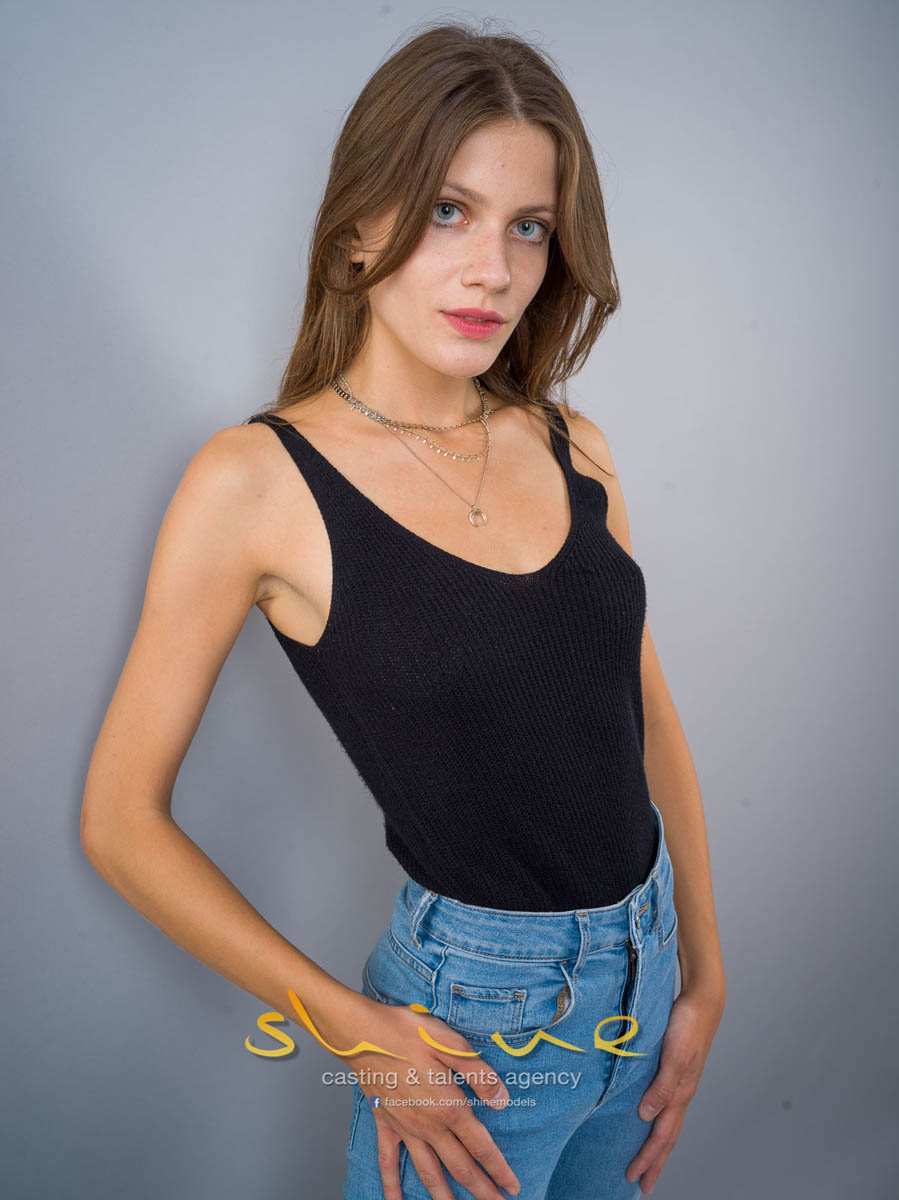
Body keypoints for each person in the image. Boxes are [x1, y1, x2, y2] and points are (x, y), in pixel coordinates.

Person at [80, 18, 726, 1200]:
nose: (494, 270)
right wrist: (354, 1031)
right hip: (474, 1029)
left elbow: (643, 715)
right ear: (355, 228)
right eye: (447, 211)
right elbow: (120, 820)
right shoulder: (253, 482)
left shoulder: (571, 444)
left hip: (643, 980)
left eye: (527, 227)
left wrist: (704, 973)